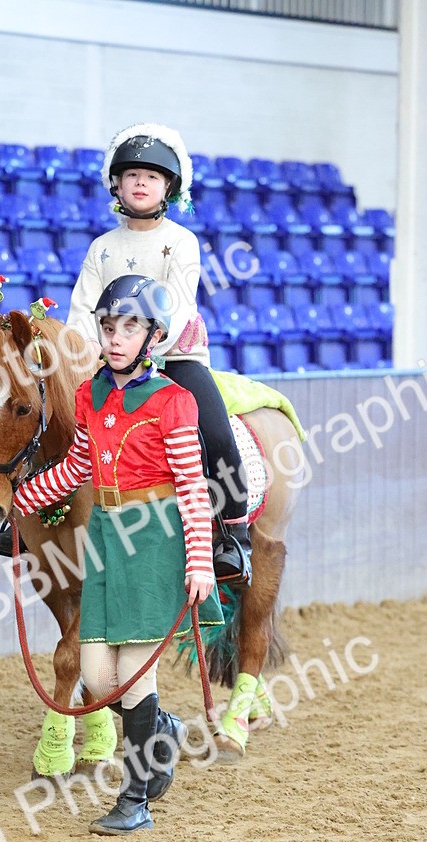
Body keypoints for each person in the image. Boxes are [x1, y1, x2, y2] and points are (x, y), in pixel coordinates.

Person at [12, 275, 223, 836]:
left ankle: (136, 799)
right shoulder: (88, 395)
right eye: (109, 326)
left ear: (152, 336)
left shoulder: (173, 402)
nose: (116, 337)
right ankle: (163, 731)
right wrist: (22, 499)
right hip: (104, 533)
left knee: (132, 672)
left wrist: (199, 559)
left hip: (154, 536)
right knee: (98, 677)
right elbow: (78, 466)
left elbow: (192, 485)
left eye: (130, 326)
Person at [66, 122, 252, 587]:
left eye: (152, 175)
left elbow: (178, 304)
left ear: (169, 186)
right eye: (132, 175)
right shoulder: (101, 248)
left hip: (176, 358)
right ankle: (27, 518)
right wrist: (95, 350)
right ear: (117, 185)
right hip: (110, 359)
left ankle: (233, 538)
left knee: (216, 434)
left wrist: (141, 348)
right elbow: (81, 312)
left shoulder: (181, 242)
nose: (142, 182)